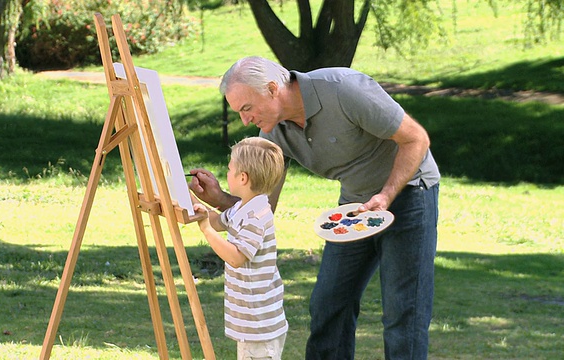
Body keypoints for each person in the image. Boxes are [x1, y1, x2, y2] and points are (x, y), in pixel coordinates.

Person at [188, 56, 440, 360]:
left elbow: (416, 139)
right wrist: (217, 198)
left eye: (247, 108)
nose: (245, 120)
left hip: (410, 192)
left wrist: (386, 196)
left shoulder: (343, 89)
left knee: (404, 311)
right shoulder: (274, 133)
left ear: (271, 89)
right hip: (356, 205)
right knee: (328, 303)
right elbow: (262, 207)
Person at [191, 136, 289, 360]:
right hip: (253, 324)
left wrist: (206, 230)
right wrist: (185, 198)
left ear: (243, 177)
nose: (226, 173)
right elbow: (217, 220)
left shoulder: (256, 215)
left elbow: (236, 257)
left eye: (229, 169)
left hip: (259, 326)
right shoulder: (242, 208)